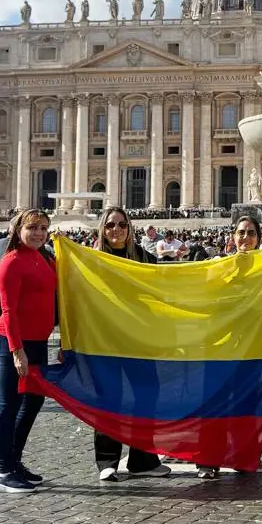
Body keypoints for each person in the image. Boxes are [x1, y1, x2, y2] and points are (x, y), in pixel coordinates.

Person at [93, 207, 170, 482]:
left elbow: (157, 296)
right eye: (110, 225)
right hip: (104, 339)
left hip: (139, 339)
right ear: (102, 229)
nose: (116, 230)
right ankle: (107, 460)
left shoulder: (145, 258)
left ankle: (142, 459)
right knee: (109, 397)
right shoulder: (92, 260)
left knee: (146, 396)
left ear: (129, 228)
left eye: (121, 224)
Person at [196, 215, 262, 479]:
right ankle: (208, 460)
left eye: (251, 233)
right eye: (241, 232)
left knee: (248, 404)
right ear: (233, 237)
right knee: (214, 403)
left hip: (251, 345)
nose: (246, 237)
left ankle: (244, 457)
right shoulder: (218, 264)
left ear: (258, 239)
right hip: (219, 345)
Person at [0, 209, 56, 493]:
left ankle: (14, 461)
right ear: (18, 230)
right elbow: (9, 310)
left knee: (34, 401)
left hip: (38, 341)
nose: (39, 233)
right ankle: (2, 470)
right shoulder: (11, 261)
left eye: (43, 228)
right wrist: (17, 351)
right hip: (13, 341)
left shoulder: (44, 258)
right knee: (9, 404)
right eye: (32, 227)